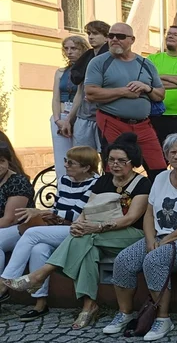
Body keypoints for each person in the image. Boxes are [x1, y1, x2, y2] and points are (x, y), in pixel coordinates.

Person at [5, 134, 151, 329]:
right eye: (111, 160)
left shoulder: (142, 184)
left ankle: (40, 275)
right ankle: (88, 306)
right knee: (86, 246)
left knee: (87, 235)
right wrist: (79, 224)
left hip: (131, 234)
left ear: (132, 162)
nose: (115, 165)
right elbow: (87, 210)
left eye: (121, 161)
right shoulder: (104, 182)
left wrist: (96, 227)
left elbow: (131, 218)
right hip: (99, 236)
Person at [105, 133, 177, 341]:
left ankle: (163, 318)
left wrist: (164, 242)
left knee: (155, 260)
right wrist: (150, 240)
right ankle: (124, 313)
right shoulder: (160, 178)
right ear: (166, 155)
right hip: (160, 236)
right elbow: (149, 213)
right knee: (124, 260)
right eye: (172, 152)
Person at [0, 145, 99, 320]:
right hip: (61, 227)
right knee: (38, 248)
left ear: (86, 167)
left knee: (32, 234)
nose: (66, 165)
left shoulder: (95, 183)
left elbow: (76, 215)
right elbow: (58, 209)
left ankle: (5, 282)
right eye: (66, 161)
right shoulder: (65, 180)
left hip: (82, 230)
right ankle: (40, 303)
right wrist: (53, 216)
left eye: (71, 163)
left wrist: (43, 213)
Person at [85, 22, 167, 174]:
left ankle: (154, 197)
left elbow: (160, 94)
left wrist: (146, 88)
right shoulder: (98, 62)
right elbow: (91, 93)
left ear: (132, 40)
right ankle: (116, 198)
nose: (114, 39)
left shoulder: (146, 63)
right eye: (111, 36)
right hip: (113, 122)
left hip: (143, 125)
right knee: (115, 169)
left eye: (120, 36)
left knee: (159, 169)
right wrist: (124, 92)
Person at [69, 20, 110, 150]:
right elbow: (80, 91)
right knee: (81, 154)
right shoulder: (86, 57)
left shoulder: (113, 57)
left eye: (96, 33)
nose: (91, 37)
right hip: (85, 114)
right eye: (89, 33)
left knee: (106, 154)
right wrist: (69, 119)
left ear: (106, 37)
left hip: (105, 114)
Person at [51, 35, 88, 177]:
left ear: (82, 49)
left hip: (79, 116)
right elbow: (55, 98)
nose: (69, 52)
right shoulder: (60, 72)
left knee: (79, 155)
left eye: (74, 48)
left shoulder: (87, 70)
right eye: (66, 48)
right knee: (61, 156)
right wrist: (56, 119)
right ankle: (62, 188)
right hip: (61, 115)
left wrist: (69, 120)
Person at [0, 141, 35, 282]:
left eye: (1, 161)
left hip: (19, 229)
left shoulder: (17, 182)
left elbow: (9, 219)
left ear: (8, 161)